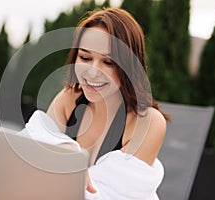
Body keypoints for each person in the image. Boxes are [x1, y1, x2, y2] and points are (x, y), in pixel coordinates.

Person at [45, 7, 169, 199]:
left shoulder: (147, 123)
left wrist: (66, 172)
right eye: (85, 58)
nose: (93, 72)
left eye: (108, 62)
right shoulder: (68, 99)